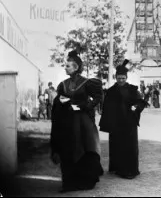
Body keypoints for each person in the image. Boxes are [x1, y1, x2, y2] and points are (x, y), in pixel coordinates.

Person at [50, 50, 104, 192]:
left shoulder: (87, 83)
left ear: (75, 67)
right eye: (65, 65)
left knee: (85, 148)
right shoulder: (63, 84)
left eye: (68, 66)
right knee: (68, 149)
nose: (65, 68)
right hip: (67, 122)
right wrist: (61, 101)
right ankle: (68, 183)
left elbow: (98, 97)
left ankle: (85, 181)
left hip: (83, 122)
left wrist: (85, 106)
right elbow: (59, 100)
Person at [99, 59, 149, 179]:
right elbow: (106, 107)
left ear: (126, 78)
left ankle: (130, 170)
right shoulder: (111, 91)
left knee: (129, 146)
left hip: (129, 122)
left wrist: (135, 107)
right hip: (116, 123)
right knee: (117, 146)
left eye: (123, 78)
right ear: (116, 78)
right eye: (119, 78)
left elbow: (141, 103)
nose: (121, 80)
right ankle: (117, 168)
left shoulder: (132, 89)